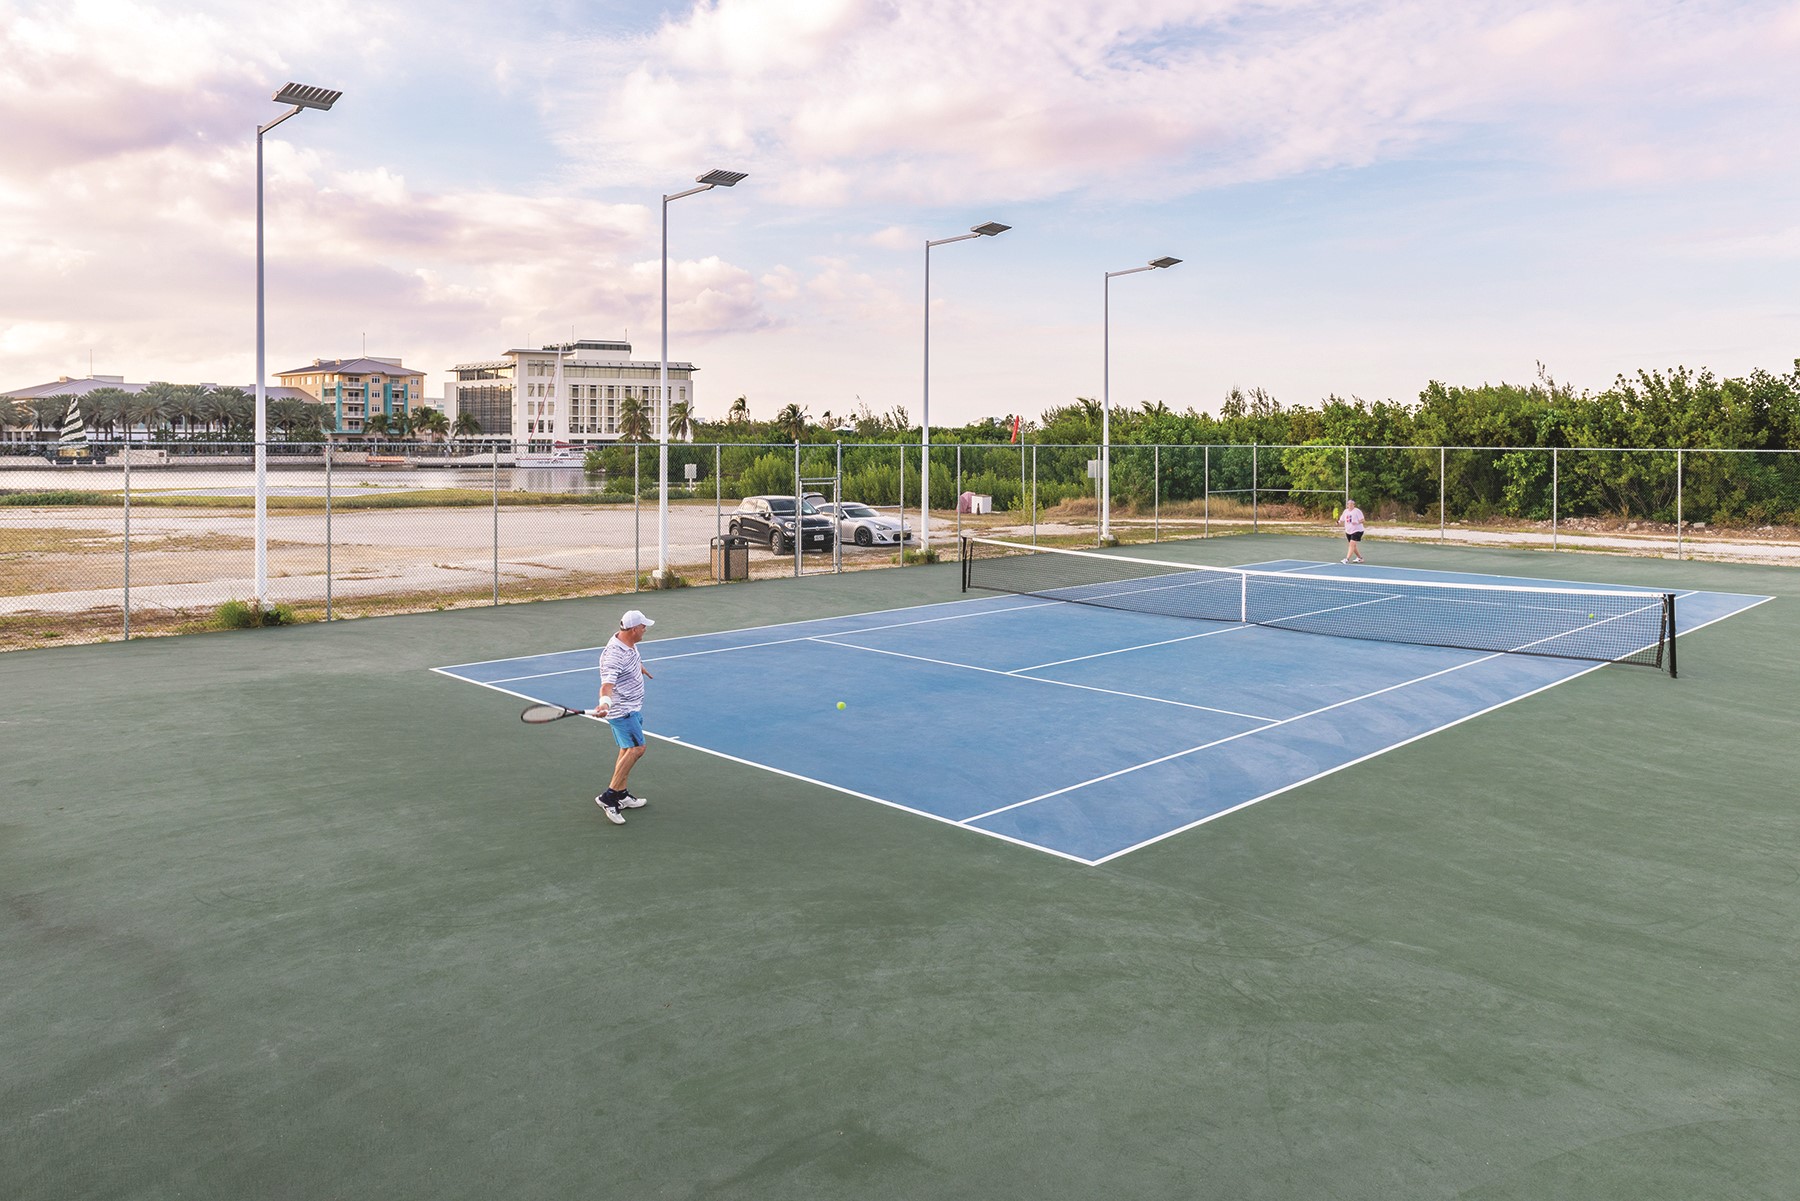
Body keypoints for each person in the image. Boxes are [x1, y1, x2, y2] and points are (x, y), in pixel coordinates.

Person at [592, 609, 656, 825]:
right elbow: (607, 685)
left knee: (627, 749)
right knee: (638, 749)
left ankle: (621, 794)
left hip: (633, 707)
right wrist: (605, 703)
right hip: (622, 711)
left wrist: (640, 669)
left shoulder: (628, 644)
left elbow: (630, 661)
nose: (645, 629)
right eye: (643, 626)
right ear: (634, 629)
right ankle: (609, 797)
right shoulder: (613, 654)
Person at [1338, 497, 1367, 564]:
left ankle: (1347, 559)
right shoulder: (1345, 511)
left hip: (1357, 530)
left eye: (1352, 504)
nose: (1350, 505)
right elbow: (1342, 519)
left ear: (1354, 505)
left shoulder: (1357, 511)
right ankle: (1360, 558)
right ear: (1347, 505)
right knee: (1352, 545)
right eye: (1349, 504)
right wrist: (1338, 522)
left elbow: (1363, 520)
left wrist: (1357, 522)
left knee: (1352, 544)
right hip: (1348, 530)